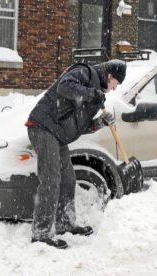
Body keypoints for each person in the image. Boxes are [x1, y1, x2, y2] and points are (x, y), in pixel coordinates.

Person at [25, 59, 126, 249]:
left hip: (58, 134)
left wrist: (99, 123)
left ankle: (65, 223)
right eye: (116, 84)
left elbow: (80, 126)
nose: (114, 89)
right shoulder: (85, 72)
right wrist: (91, 94)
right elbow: (65, 86)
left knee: (68, 179)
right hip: (43, 127)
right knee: (51, 180)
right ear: (110, 76)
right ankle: (41, 233)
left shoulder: (96, 96)